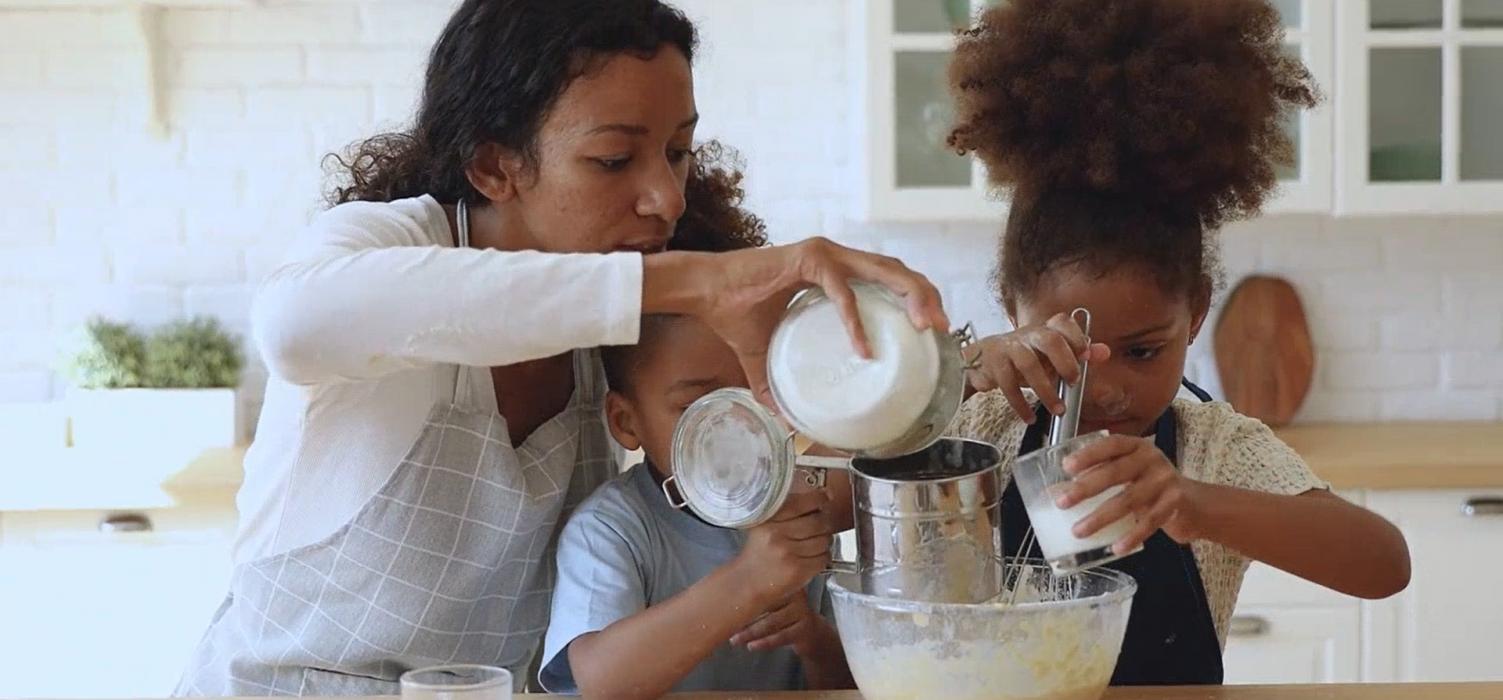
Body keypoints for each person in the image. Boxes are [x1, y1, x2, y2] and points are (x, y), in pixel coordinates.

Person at [175, 1, 945, 695]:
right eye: (613, 160)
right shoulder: (387, 244)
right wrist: (694, 281)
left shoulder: (618, 327)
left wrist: (946, 376)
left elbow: (792, 469)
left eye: (678, 151)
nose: (666, 197)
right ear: (494, 166)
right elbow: (293, 326)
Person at [947, 0, 1411, 686]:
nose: (1106, 390)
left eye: (1142, 352)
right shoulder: (981, 422)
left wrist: (1192, 503)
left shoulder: (1215, 449)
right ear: (1012, 314)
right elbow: (834, 498)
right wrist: (953, 377)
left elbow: (1383, 564)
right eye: (1070, 352)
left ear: (1194, 314)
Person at [537, 146, 852, 698]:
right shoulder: (615, 528)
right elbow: (599, 682)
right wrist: (749, 581)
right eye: (698, 405)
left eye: (755, 397)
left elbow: (850, 682)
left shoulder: (795, 511)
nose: (737, 430)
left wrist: (812, 638)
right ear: (626, 422)